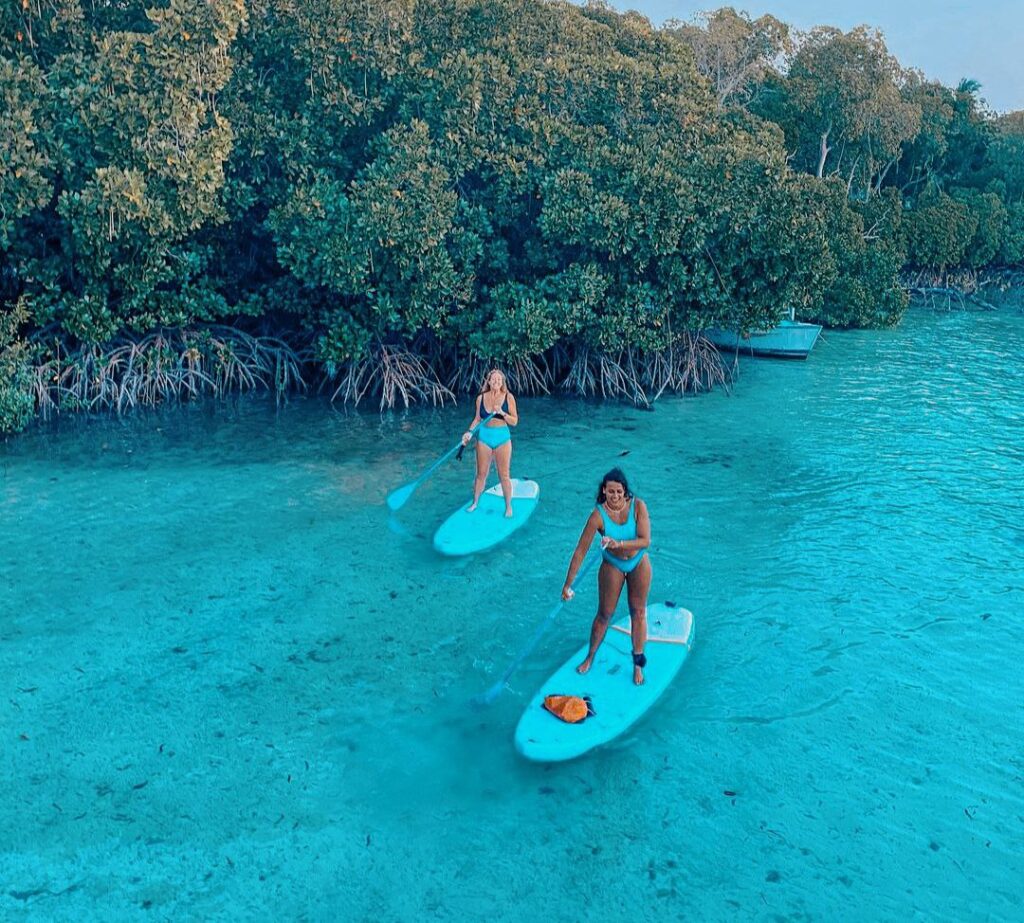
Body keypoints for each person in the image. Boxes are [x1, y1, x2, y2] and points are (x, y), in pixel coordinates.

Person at [561, 468, 651, 685]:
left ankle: (638, 665)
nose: (615, 495)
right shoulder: (597, 516)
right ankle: (590, 657)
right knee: (604, 615)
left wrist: (618, 543)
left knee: (638, 613)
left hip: (638, 562)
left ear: (625, 491)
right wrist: (568, 584)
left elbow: (645, 541)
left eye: (619, 492)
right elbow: (580, 551)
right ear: (604, 490)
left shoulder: (638, 506)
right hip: (613, 565)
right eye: (611, 492)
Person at [460, 368, 519, 518]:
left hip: (502, 439)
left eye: (499, 380)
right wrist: (469, 432)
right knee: (481, 474)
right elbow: (477, 419)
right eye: (494, 379)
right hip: (484, 438)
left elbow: (514, 421)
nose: (496, 382)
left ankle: (508, 506)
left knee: (504, 475)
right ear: (489, 381)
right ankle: (475, 503)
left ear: (502, 382)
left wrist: (502, 413)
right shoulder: (481, 398)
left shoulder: (508, 397)